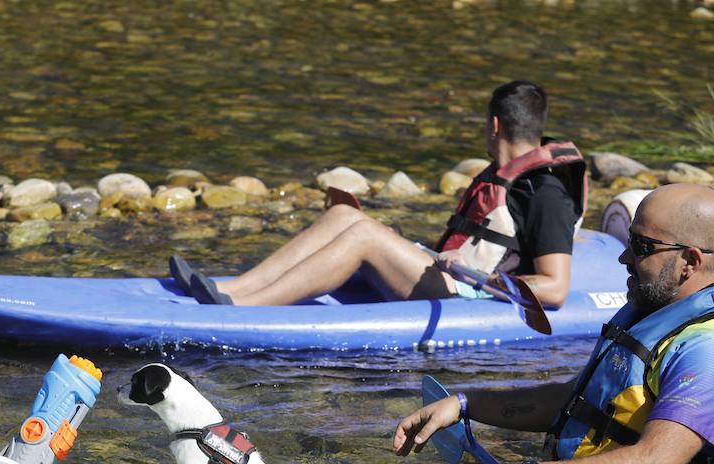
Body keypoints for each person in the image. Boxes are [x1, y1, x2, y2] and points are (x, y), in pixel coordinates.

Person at [341, 183, 714, 464]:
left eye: (641, 246)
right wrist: (465, 403)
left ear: (690, 261)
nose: (624, 257)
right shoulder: (656, 307)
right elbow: (578, 402)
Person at [171, 80, 586, 308]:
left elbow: (554, 288)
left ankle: (245, 310)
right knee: (346, 218)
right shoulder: (502, 173)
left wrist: (486, 277)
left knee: (364, 236)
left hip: (471, 292)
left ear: (494, 126)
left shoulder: (545, 193)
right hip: (452, 273)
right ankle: (236, 288)